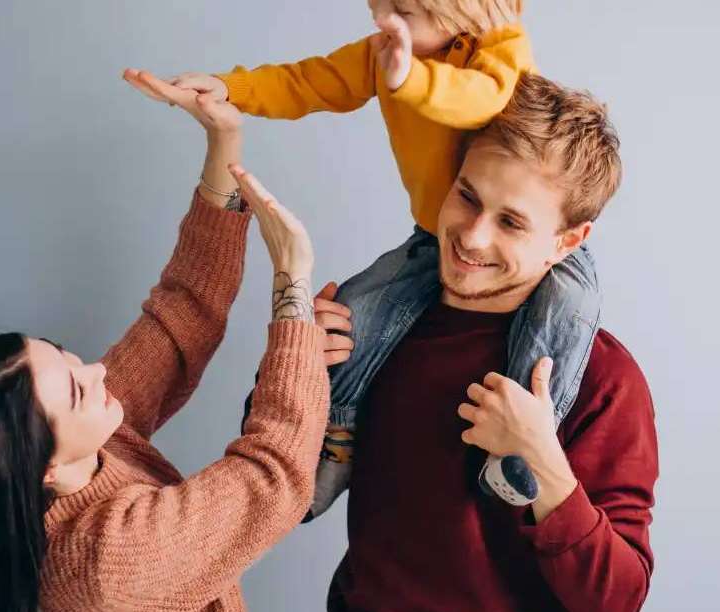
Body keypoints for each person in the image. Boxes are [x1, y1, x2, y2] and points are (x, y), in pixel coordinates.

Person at [0, 71, 342, 612]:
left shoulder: (88, 443)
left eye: (66, 356)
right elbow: (270, 479)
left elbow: (183, 313)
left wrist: (224, 140)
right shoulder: (104, 570)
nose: (97, 372)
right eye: (76, 389)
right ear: (43, 466)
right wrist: (291, 281)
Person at [161, 0, 601, 514]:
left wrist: (409, 77)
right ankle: (336, 439)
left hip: (532, 265)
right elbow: (307, 82)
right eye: (380, 4)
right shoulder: (382, 54)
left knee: (567, 312)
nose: (382, 19)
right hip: (430, 235)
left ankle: (519, 449)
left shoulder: (498, 47)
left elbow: (480, 99)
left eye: (404, 10)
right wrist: (229, 88)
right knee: (351, 313)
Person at [321, 73, 658, 612]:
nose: (473, 236)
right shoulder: (376, 328)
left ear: (568, 241)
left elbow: (616, 608)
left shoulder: (604, 379)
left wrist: (541, 458)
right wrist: (295, 372)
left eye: (511, 222)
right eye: (467, 197)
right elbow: (279, 486)